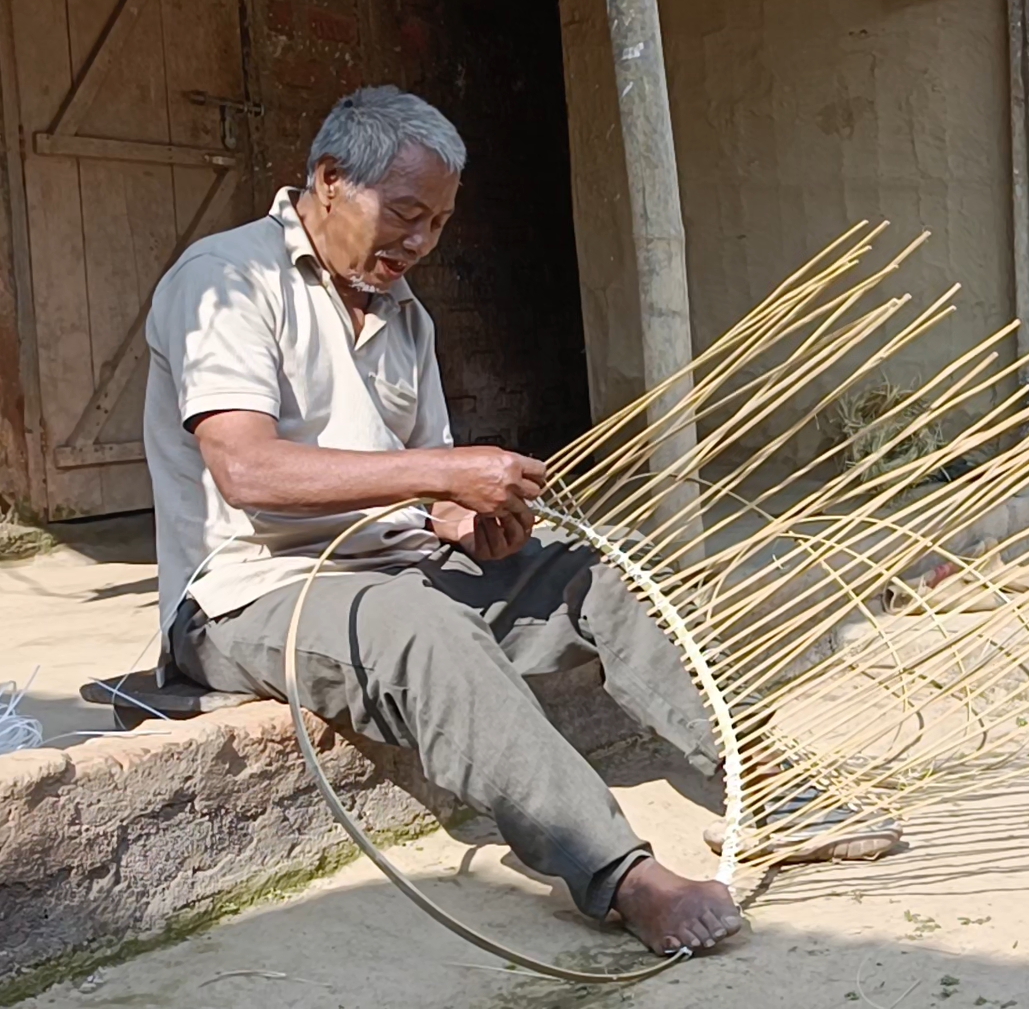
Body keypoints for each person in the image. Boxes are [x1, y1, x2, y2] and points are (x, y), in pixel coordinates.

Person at [142, 86, 891, 955]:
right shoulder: (225, 277)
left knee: (604, 569)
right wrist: (444, 471)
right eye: (407, 215)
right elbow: (247, 468)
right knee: (421, 624)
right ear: (331, 179)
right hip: (248, 594)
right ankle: (620, 875)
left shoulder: (401, 314)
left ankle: (765, 789)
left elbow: (424, 495)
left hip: (393, 570)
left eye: (440, 224)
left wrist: (464, 520)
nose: (420, 243)